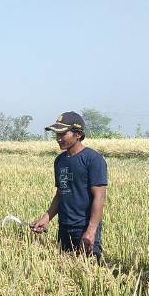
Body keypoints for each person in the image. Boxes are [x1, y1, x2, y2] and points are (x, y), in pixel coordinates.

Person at [29, 111, 107, 260]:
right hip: (64, 226)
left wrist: (91, 231)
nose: (58, 139)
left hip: (84, 227)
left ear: (78, 134)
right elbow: (61, 193)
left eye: (63, 134)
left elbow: (100, 196)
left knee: (89, 272)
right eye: (57, 135)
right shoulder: (60, 161)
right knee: (64, 268)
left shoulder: (93, 159)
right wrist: (46, 218)